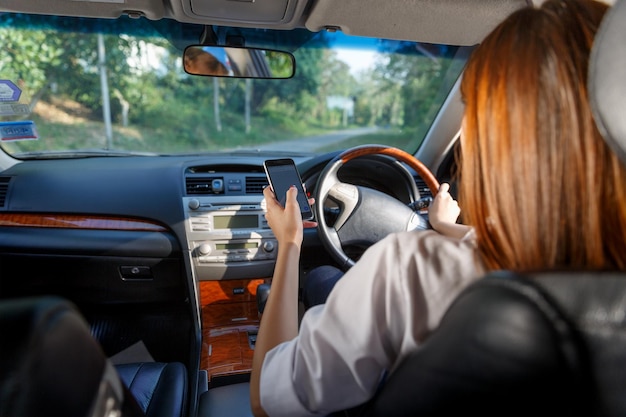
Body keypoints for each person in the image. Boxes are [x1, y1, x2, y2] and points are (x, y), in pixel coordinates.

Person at [251, 1, 626, 416]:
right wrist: (445, 227)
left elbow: (266, 403)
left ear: (496, 145)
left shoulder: (408, 272)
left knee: (321, 276)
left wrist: (289, 244)